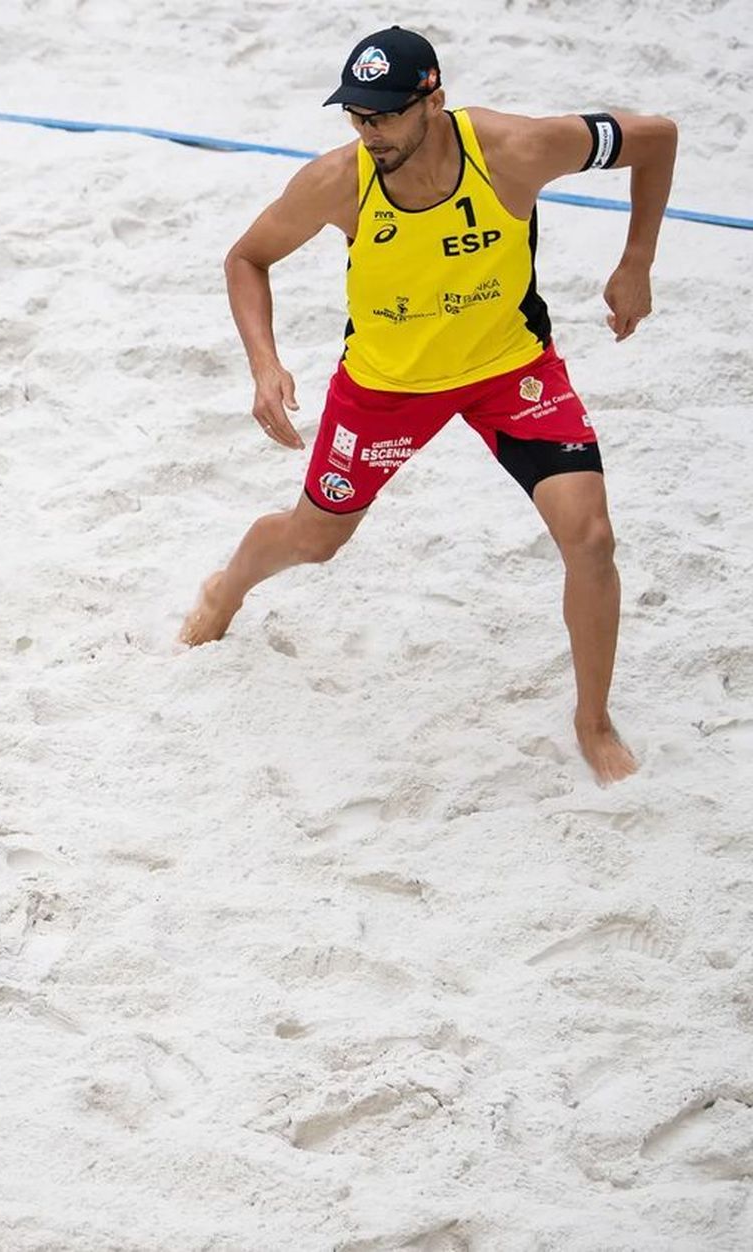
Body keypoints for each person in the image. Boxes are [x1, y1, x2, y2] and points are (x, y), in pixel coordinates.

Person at [179, 26, 677, 785]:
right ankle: (228, 585)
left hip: (509, 370)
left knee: (591, 537)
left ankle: (593, 721)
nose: (368, 131)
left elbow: (657, 138)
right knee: (314, 541)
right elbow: (246, 258)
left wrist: (636, 259)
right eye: (356, 115)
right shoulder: (339, 180)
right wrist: (265, 364)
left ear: (433, 100)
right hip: (386, 389)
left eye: (383, 115)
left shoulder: (516, 150)